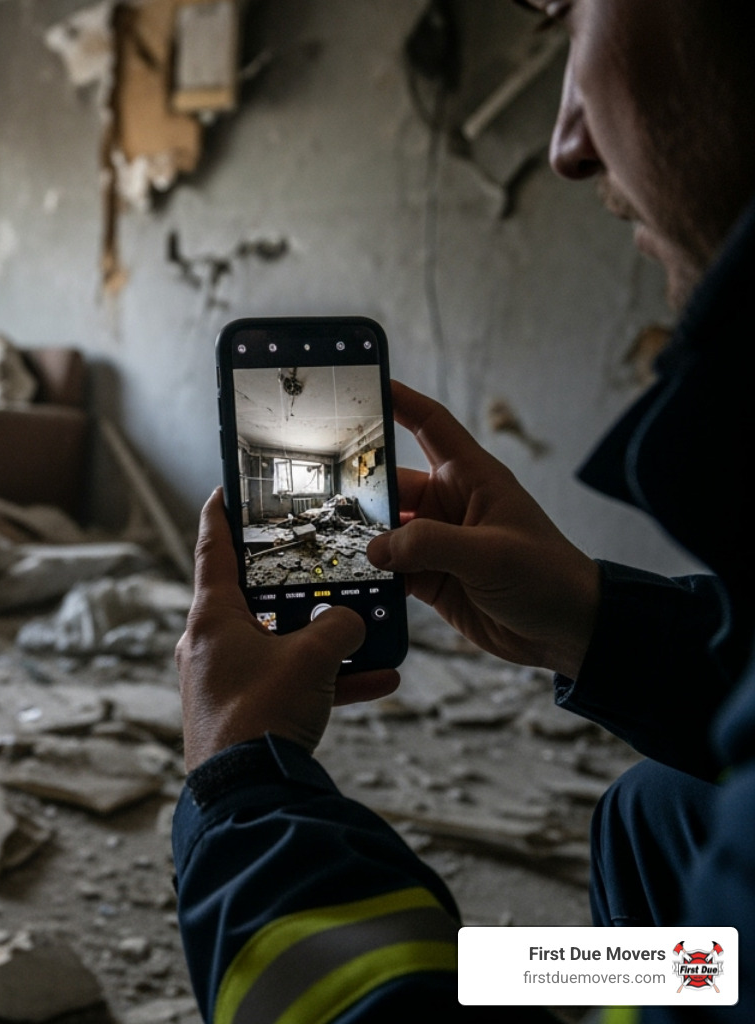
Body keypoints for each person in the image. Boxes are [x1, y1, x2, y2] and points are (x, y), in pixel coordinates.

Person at [172, 1, 755, 1021]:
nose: (567, 140)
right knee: (652, 809)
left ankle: (498, 978)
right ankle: (538, 981)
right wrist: (595, 617)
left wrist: (242, 790)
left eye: (575, 17)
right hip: (727, 960)